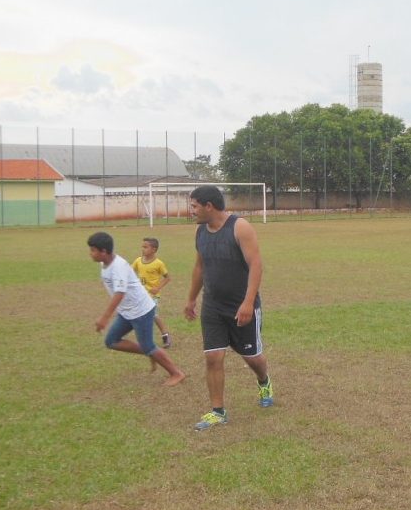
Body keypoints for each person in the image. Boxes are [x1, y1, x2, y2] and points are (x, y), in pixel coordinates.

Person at [184, 185, 273, 431]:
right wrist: (192, 298)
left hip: (241, 306)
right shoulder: (201, 231)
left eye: (194, 206)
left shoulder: (239, 227)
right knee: (213, 357)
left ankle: (263, 380)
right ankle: (218, 411)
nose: (191, 211)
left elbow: (256, 265)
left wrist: (247, 302)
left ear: (208, 206)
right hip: (212, 306)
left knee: (252, 358)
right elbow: (200, 267)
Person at [88, 231, 186, 387]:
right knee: (111, 341)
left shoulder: (117, 267)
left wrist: (104, 318)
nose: (90, 253)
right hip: (127, 312)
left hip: (141, 310)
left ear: (104, 251)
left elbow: (120, 293)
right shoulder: (104, 262)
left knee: (148, 345)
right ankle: (150, 352)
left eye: (93, 250)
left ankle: (176, 373)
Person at [132, 237, 173, 349]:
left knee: (154, 315)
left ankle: (165, 335)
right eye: (142, 246)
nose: (143, 249)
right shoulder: (138, 261)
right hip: (141, 295)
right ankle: (144, 339)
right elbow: (130, 273)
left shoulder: (158, 263)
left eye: (146, 247)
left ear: (154, 249)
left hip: (153, 295)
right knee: (140, 316)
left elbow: (167, 278)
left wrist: (158, 288)